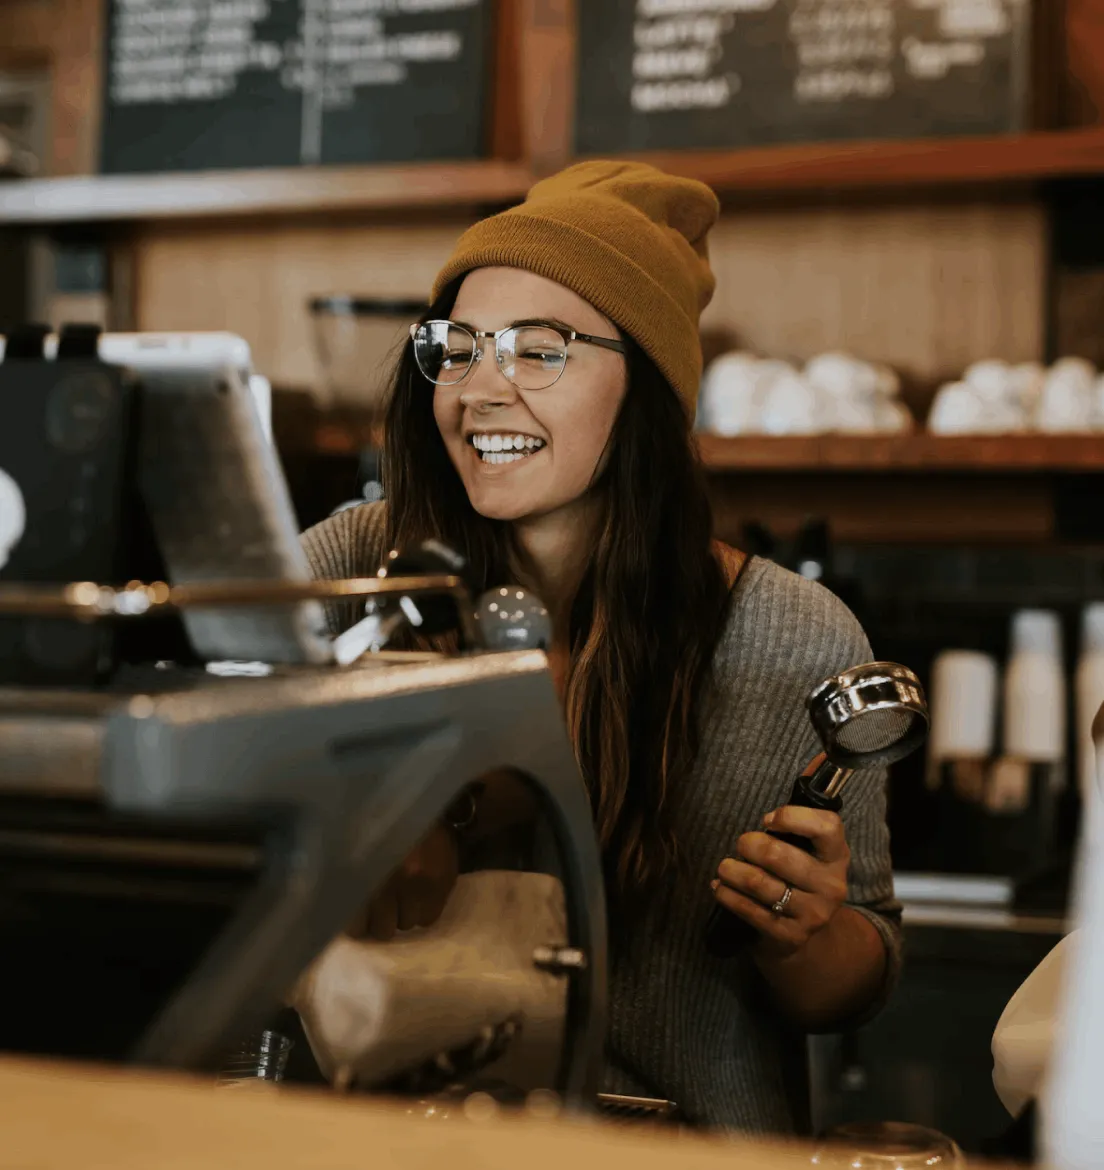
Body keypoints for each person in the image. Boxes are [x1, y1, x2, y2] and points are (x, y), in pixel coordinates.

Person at [301, 160, 901, 1134]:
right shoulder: (350, 571)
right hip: (376, 1140)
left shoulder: (791, 632)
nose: (479, 390)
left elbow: (855, 986)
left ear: (648, 392)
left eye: (539, 353)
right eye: (457, 347)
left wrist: (808, 935)